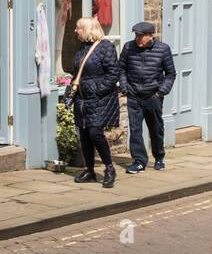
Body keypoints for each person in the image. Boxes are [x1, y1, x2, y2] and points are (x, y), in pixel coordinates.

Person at [67, 16, 120, 188]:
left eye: (78, 28)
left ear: (88, 29)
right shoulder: (82, 48)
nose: (75, 31)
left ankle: (109, 168)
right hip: (82, 100)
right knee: (84, 136)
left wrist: (97, 90)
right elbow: (78, 73)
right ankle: (90, 170)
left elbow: (113, 74)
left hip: (99, 99)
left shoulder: (106, 48)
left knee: (95, 133)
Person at [119, 21, 176, 173]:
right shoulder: (128, 47)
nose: (137, 39)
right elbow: (121, 69)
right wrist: (125, 88)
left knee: (156, 128)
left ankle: (159, 157)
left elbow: (170, 74)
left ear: (151, 36)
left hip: (153, 96)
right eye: (136, 35)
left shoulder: (163, 49)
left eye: (141, 36)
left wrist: (161, 92)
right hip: (134, 95)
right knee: (135, 129)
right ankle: (139, 161)